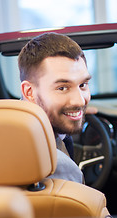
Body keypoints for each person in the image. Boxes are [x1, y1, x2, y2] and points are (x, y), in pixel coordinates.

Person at [18, 32, 90, 184]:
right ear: (29, 92)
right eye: (62, 88)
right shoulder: (56, 166)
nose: (80, 101)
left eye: (82, 85)